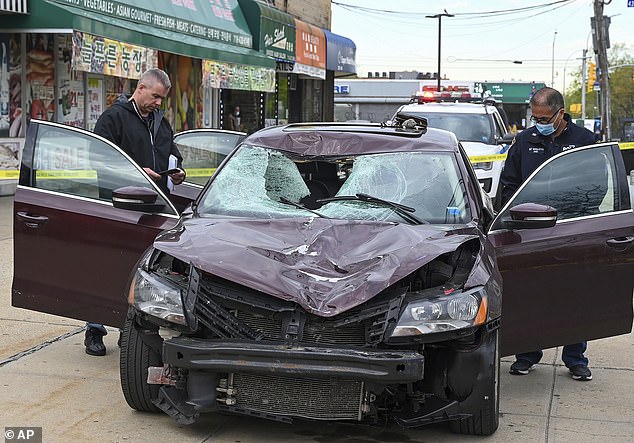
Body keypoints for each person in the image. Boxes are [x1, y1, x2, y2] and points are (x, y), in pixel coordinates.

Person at [83, 68, 186, 356]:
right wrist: (137, 172)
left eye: (162, 99)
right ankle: (94, 329)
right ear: (140, 88)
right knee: (106, 266)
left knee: (138, 271)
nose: (158, 103)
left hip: (150, 209)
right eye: (155, 97)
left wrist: (178, 170)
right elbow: (97, 157)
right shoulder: (113, 118)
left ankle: (126, 330)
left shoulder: (160, 122)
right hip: (116, 206)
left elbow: (172, 150)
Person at [500, 86, 598, 381]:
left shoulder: (584, 140)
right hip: (531, 229)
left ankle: (575, 358)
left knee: (573, 294)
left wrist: (576, 214)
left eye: (544, 117)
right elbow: (509, 183)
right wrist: (510, 219)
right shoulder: (525, 139)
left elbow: (598, 184)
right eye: (535, 117)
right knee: (532, 292)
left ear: (560, 114)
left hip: (572, 229)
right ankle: (527, 354)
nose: (538, 123)